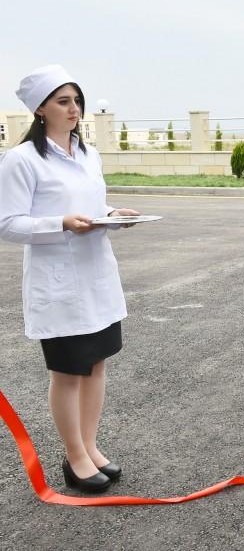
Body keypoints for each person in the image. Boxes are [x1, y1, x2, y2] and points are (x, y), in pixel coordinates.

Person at [0, 65, 141, 493]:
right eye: (63, 101)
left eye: (76, 100)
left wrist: (112, 217)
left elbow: (92, 206)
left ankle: (91, 446)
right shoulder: (22, 160)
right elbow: (7, 223)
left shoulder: (88, 154)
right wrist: (59, 223)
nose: (74, 108)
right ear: (40, 109)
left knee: (96, 365)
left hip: (96, 274)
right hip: (58, 282)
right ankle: (73, 456)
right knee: (68, 372)